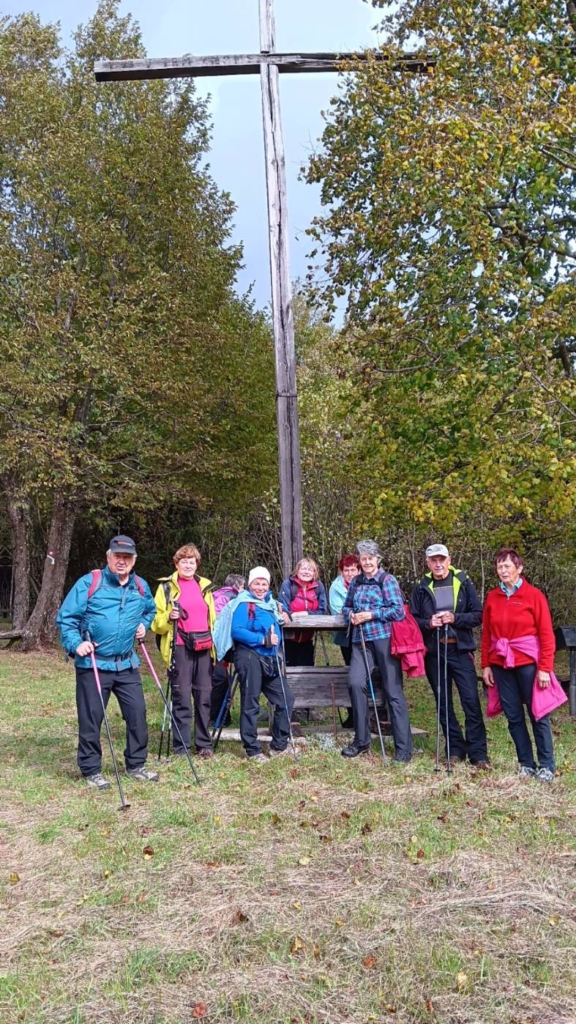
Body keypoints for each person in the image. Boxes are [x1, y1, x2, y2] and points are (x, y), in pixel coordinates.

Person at [56, 535, 159, 790]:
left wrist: (143, 625)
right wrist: (76, 644)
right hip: (93, 664)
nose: (121, 561)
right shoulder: (90, 583)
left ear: (134, 560)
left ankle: (136, 765)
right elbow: (66, 618)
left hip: (126, 664)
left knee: (137, 714)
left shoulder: (141, 586)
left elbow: (150, 610)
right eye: (117, 556)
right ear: (108, 557)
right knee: (91, 718)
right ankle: (92, 770)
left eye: (127, 557)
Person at [410, 543, 489, 769]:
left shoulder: (463, 581)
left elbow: (477, 615)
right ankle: (454, 750)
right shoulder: (421, 586)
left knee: (471, 701)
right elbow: (412, 620)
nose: (438, 564)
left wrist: (455, 618)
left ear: (449, 559)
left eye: (441, 559)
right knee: (443, 702)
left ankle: (478, 754)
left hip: (460, 649)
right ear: (427, 563)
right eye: (433, 560)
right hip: (435, 652)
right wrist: (428, 623)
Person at [482, 548, 556, 782]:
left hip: (528, 663)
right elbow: (486, 634)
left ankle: (547, 765)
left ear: (519, 569)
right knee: (514, 716)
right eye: (499, 567)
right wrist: (486, 665)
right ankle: (526, 764)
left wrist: (544, 668)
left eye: (507, 566)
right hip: (501, 664)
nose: (502, 570)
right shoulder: (493, 597)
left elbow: (546, 635)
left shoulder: (534, 596)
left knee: (538, 714)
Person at [342, 540, 412, 762]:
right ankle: (361, 741)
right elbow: (347, 606)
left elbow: (397, 611)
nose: (367, 562)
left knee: (392, 691)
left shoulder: (387, 580)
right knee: (355, 683)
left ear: (377, 559)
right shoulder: (356, 582)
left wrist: (371, 614)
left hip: (384, 639)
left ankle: (403, 749)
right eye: (363, 559)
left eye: (370, 558)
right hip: (360, 641)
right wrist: (351, 615)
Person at [151, 544, 216, 759]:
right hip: (179, 646)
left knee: (204, 697)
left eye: (192, 561)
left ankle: (204, 745)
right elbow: (155, 623)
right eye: (184, 561)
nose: (188, 565)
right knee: (181, 698)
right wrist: (169, 617)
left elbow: (212, 620)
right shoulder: (166, 588)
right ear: (176, 563)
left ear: (197, 564)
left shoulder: (205, 586)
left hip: (204, 647)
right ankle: (181, 747)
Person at [230, 566, 295, 762]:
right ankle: (253, 749)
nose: (260, 587)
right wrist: (262, 640)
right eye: (256, 583)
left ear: (269, 585)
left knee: (286, 699)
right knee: (251, 704)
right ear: (250, 584)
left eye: (264, 583)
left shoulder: (272, 604)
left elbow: (282, 616)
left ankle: (279, 745)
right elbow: (237, 631)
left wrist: (286, 615)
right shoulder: (244, 603)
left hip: (270, 659)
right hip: (249, 656)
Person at [278, 558, 328, 667]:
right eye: (303, 568)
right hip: (288, 638)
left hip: (307, 638)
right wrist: (289, 614)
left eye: (310, 569)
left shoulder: (318, 587)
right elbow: (282, 608)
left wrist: (305, 614)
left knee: (307, 668)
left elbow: (323, 611)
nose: (306, 572)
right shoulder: (288, 585)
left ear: (314, 573)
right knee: (287, 670)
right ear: (297, 571)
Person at [211, 574, 245, 727]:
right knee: (221, 679)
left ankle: (221, 717)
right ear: (238, 586)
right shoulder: (233, 597)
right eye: (243, 586)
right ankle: (219, 718)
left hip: (213, 643)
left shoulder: (216, 595)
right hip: (223, 643)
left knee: (220, 678)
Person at [329, 555, 360, 666]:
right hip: (345, 632)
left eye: (353, 570)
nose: (350, 573)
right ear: (341, 572)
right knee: (350, 663)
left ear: (359, 570)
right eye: (346, 570)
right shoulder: (335, 587)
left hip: (366, 631)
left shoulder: (366, 582)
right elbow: (339, 610)